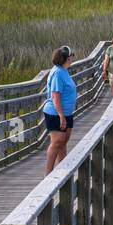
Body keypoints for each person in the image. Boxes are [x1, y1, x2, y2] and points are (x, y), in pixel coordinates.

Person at [43, 45, 77, 175]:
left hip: (66, 113)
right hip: (55, 113)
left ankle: (62, 174)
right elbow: (55, 96)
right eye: (72, 56)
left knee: (63, 142)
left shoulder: (64, 70)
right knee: (57, 142)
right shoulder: (57, 72)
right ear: (68, 58)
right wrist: (61, 116)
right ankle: (48, 174)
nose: (73, 58)